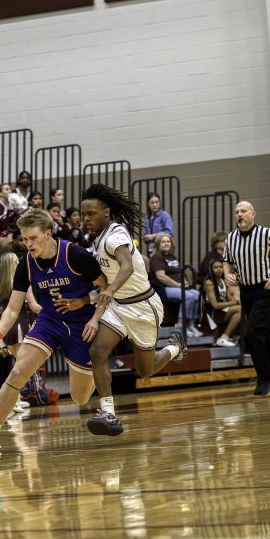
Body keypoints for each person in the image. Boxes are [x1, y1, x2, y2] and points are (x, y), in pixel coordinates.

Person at [0, 209, 105, 454]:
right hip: (50, 321)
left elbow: (106, 289)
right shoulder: (27, 263)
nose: (28, 244)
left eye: (33, 238)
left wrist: (86, 304)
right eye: (25, 239)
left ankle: (97, 368)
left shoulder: (75, 254)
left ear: (48, 234)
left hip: (81, 324)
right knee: (18, 371)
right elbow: (12, 308)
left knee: (80, 397)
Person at [79, 184, 186, 436]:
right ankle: (109, 413)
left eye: (91, 214)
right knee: (97, 351)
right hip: (119, 306)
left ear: (106, 212)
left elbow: (126, 266)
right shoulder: (97, 239)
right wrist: (89, 302)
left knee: (144, 371)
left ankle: (175, 348)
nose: (86, 219)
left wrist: (110, 291)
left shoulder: (116, 235)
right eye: (84, 214)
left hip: (143, 307)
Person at [222, 200, 270, 397]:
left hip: (265, 289)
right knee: (264, 334)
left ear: (253, 214)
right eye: (237, 212)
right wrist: (227, 274)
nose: (239, 214)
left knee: (252, 332)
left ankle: (264, 377)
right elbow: (226, 261)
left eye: (243, 211)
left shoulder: (267, 234)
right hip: (246, 290)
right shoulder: (231, 237)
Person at [148, 233, 202, 338]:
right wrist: (177, 285)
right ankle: (181, 325)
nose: (166, 244)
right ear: (158, 244)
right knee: (189, 296)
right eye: (163, 242)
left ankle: (191, 325)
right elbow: (161, 277)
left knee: (197, 294)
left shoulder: (172, 257)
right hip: (165, 289)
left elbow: (178, 272)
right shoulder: (157, 258)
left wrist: (184, 281)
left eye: (168, 241)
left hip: (178, 287)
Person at [201, 259, 241, 346]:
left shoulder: (223, 281)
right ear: (211, 269)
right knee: (240, 309)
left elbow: (231, 300)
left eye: (220, 267)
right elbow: (215, 305)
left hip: (221, 311)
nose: (219, 269)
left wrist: (235, 302)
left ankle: (234, 337)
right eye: (215, 267)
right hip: (211, 314)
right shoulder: (209, 283)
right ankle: (224, 337)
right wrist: (233, 303)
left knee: (241, 311)